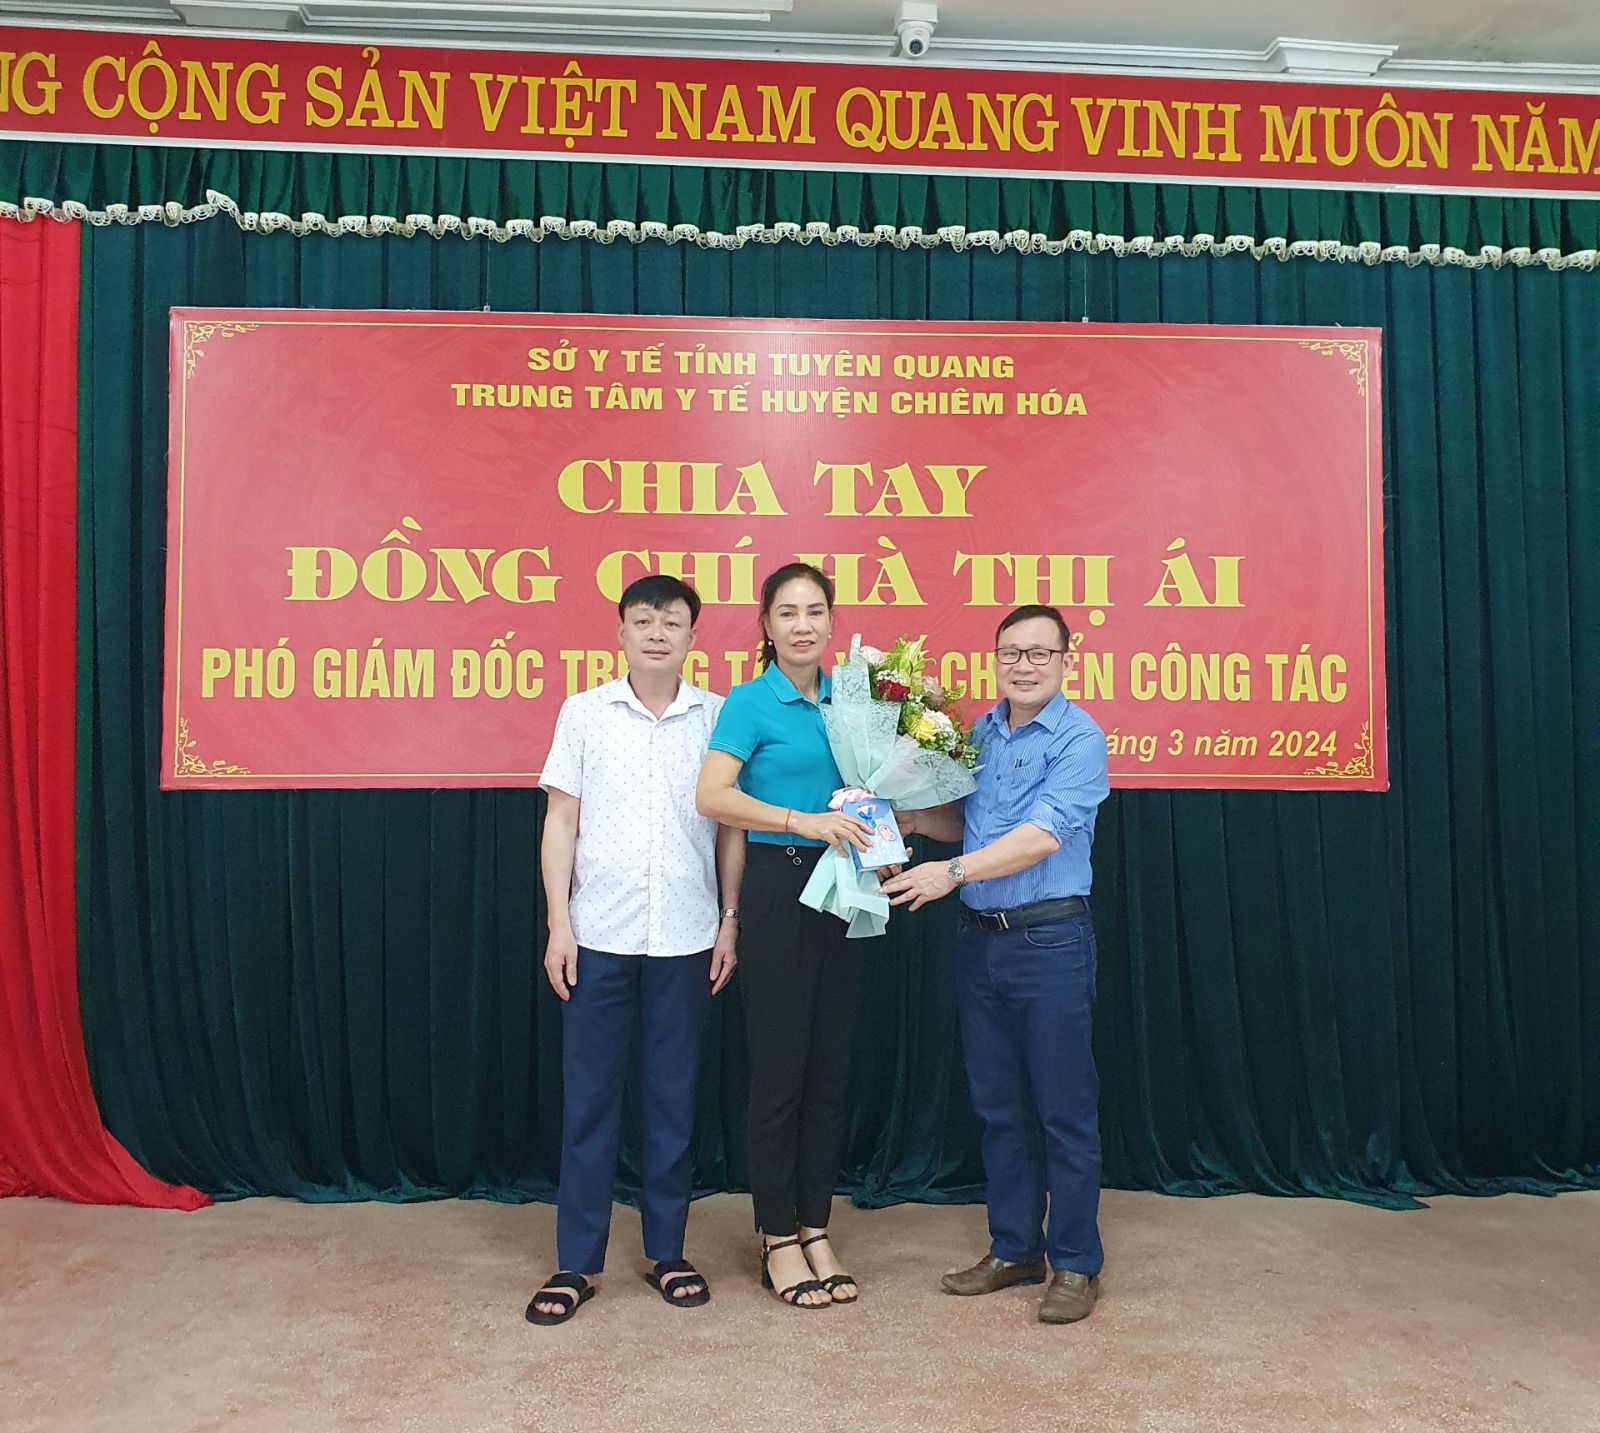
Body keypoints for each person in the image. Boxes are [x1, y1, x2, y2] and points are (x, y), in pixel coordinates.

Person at [882, 603, 1109, 1325]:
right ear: (995, 659)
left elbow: (1041, 836)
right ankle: (1015, 1248)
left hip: (1050, 942)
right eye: (1011, 652)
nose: (1024, 665)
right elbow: (972, 823)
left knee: (1063, 1109)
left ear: (1067, 660)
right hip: (980, 940)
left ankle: (1075, 1261)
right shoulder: (979, 732)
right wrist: (913, 820)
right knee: (998, 1106)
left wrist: (949, 873)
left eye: (1040, 653)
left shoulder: (1080, 738)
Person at [526, 575, 742, 1326]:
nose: (656, 633)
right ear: (619, 632)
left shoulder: (717, 716)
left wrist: (730, 919)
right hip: (598, 936)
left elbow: (731, 827)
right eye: (643, 621)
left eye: (671, 622)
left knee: (671, 1102)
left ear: (692, 637)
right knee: (589, 1103)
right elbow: (561, 821)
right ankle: (576, 1263)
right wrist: (558, 923)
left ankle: (666, 1252)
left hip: (686, 936)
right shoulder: (583, 713)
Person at [695, 562, 875, 1310]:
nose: (803, 624)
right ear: (766, 625)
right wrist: (802, 821)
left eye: (815, 611)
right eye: (787, 612)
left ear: (832, 621)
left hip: (848, 887)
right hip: (780, 883)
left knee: (831, 1069)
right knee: (779, 1070)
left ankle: (815, 1224)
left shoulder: (857, 702)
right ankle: (775, 1234)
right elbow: (712, 795)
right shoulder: (748, 701)